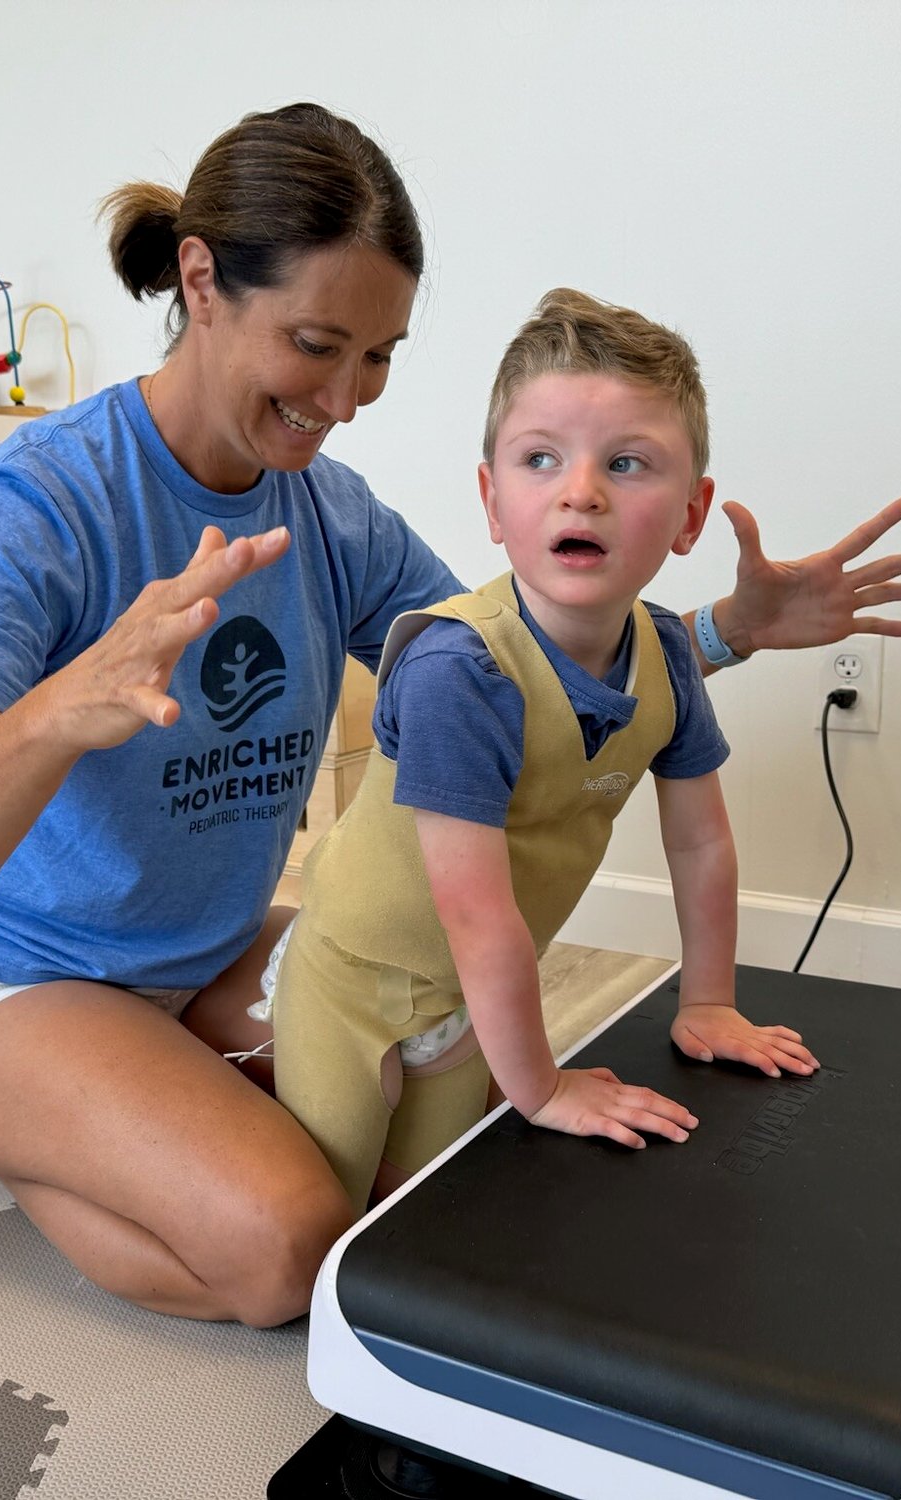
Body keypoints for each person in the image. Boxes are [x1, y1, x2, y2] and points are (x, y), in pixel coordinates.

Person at [0, 103, 901, 1327]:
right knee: (295, 1252)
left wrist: (726, 633)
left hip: (199, 947)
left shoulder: (330, 511)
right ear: (201, 282)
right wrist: (66, 704)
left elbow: (509, 670)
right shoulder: (36, 507)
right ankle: (22, 1135)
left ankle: (147, 1096)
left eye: (379, 355)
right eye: (317, 344)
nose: (349, 398)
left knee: (435, 1148)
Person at [272, 289, 820, 1210]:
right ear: (493, 500)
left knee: (421, 1208)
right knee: (324, 1215)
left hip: (464, 1002)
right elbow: (479, 917)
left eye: (628, 463)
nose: (582, 491)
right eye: (540, 459)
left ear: (691, 516)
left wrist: (708, 1001)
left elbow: (701, 843)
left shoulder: (668, 659)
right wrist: (543, 1087)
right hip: (357, 982)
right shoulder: (459, 671)